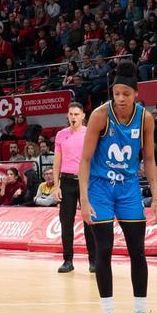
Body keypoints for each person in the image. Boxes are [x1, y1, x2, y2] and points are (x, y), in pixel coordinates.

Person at [78, 60, 157, 313]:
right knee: (104, 251)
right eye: (117, 94)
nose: (121, 98)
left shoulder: (145, 118)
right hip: (100, 189)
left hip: (128, 189)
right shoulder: (101, 116)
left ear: (136, 94)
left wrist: (156, 196)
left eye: (126, 93)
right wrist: (83, 198)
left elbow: (149, 159)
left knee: (138, 252)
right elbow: (85, 160)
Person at [53, 102, 96, 273]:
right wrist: (57, 186)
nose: (73, 117)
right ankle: (67, 260)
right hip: (67, 181)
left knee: (89, 222)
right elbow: (57, 163)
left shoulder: (90, 133)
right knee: (66, 223)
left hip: (87, 181)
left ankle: (93, 261)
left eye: (76, 114)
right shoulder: (61, 135)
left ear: (83, 116)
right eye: (71, 114)